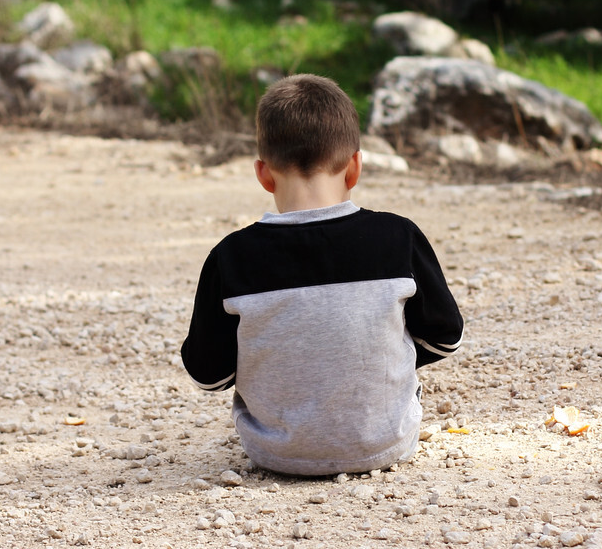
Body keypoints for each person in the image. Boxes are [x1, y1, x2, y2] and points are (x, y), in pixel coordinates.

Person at [180, 74, 463, 476]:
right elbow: (446, 337)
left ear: (263, 174)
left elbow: (209, 376)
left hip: (274, 454)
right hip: (387, 443)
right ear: (354, 168)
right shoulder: (398, 237)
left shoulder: (231, 257)